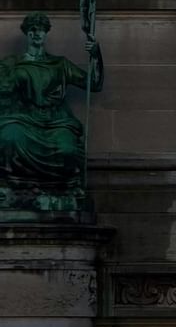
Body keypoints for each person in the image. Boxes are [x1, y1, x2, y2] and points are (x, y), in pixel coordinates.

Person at [0, 12, 103, 205]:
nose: (36, 34)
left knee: (67, 150)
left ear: (46, 33)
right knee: (9, 138)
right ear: (26, 34)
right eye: (32, 30)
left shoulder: (60, 64)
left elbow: (94, 84)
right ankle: (13, 186)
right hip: (23, 119)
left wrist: (96, 55)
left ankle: (64, 190)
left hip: (55, 121)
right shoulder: (11, 64)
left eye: (40, 30)